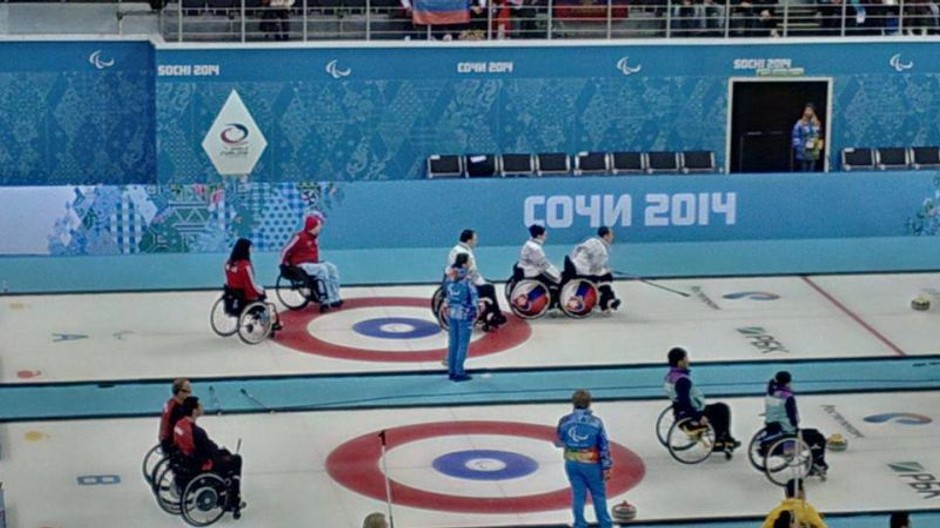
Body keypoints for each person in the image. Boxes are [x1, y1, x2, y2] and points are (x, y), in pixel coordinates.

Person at [174, 396, 246, 514]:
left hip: (186, 459)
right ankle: (233, 500)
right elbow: (210, 451)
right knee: (236, 460)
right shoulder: (197, 432)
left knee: (225, 453)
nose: (202, 407)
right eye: (199, 405)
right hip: (200, 464)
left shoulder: (179, 425)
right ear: (194, 411)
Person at [664, 347, 741, 452]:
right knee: (722, 409)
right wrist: (698, 416)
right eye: (686, 358)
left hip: (678, 412)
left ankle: (724, 438)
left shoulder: (669, 377)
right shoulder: (682, 380)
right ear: (680, 362)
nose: (688, 360)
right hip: (690, 415)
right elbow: (685, 402)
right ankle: (720, 440)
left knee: (718, 409)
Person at [555, 389, 613, 528]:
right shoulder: (596, 423)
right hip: (592, 463)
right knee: (598, 495)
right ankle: (605, 524)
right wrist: (607, 466)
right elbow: (603, 445)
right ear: (589, 403)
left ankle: (579, 524)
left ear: (573, 403)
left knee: (578, 495)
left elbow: (559, 439)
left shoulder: (564, 421)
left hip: (572, 463)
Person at [763, 371, 829, 478]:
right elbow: (793, 419)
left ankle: (814, 462)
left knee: (814, 432)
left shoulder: (771, 393)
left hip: (773, 429)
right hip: (787, 434)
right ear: (788, 382)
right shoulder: (788, 397)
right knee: (818, 438)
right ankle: (817, 463)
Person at [281, 214, 343, 311]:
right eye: (318, 226)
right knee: (322, 270)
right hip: (301, 264)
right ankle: (325, 298)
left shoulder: (314, 238)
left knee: (331, 268)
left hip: (313, 263)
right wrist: (283, 264)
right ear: (311, 227)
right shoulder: (299, 237)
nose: (319, 228)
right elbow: (286, 250)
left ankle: (335, 296)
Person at [447, 229, 506, 329]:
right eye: (475, 239)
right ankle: (494, 314)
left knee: (488, 284)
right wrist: (481, 282)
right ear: (469, 241)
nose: (476, 242)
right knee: (489, 288)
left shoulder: (455, 249)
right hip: (465, 285)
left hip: (455, 281)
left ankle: (490, 313)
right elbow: (472, 272)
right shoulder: (466, 255)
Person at [225, 238, 282, 330]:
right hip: (244, 295)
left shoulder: (228, 263)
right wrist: (261, 292)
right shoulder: (245, 265)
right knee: (262, 294)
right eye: (250, 247)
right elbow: (251, 284)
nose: (252, 249)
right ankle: (268, 323)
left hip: (231, 292)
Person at [564, 226, 622, 314]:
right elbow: (596, 269)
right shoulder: (602, 251)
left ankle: (608, 302)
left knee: (604, 279)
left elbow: (577, 249)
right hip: (583, 272)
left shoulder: (592, 240)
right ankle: (607, 302)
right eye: (611, 234)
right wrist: (607, 270)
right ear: (606, 236)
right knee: (607, 277)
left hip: (574, 266)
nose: (613, 236)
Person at [443, 253, 478, 382]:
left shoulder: (449, 277)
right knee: (463, 344)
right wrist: (477, 310)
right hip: (464, 314)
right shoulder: (467, 280)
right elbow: (473, 297)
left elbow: (446, 293)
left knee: (453, 343)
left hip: (451, 313)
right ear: (464, 264)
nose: (470, 263)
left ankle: (451, 371)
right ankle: (459, 371)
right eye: (468, 261)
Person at [761, 479, 828, 528]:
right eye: (803, 491)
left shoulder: (775, 511)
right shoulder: (806, 509)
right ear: (799, 492)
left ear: (786, 494)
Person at [518, 224, 562, 292]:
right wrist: (558, 275)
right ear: (539, 236)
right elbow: (544, 266)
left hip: (528, 268)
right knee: (555, 281)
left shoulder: (529, 243)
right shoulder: (535, 248)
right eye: (545, 235)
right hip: (530, 271)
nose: (546, 237)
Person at [158, 378, 191, 453]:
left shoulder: (170, 403)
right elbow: (180, 430)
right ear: (179, 392)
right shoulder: (177, 410)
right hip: (172, 443)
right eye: (186, 392)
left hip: (165, 439)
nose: (189, 395)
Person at [792, 103, 823, 172]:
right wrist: (797, 146)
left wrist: (820, 146)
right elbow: (795, 135)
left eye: (810, 110)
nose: (808, 112)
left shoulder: (817, 123)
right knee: (803, 169)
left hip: (813, 150)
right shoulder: (800, 123)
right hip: (802, 149)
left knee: (812, 168)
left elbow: (820, 135)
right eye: (807, 110)